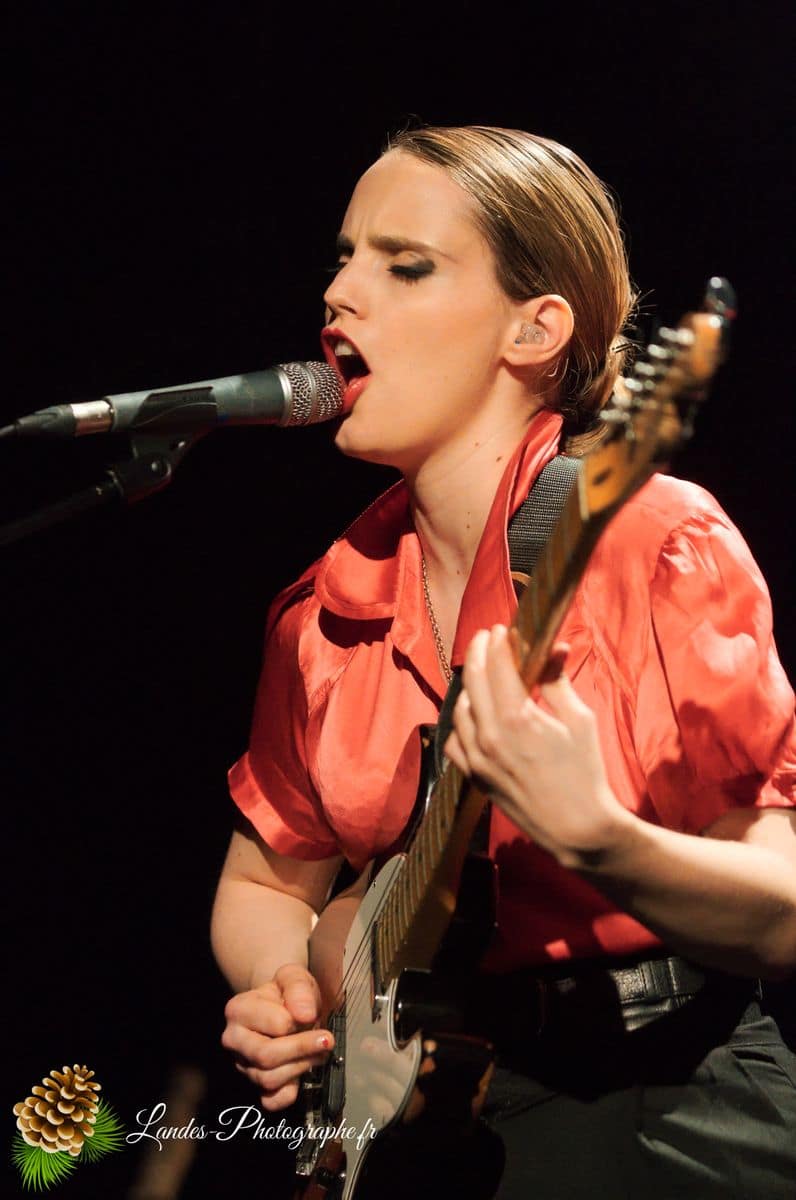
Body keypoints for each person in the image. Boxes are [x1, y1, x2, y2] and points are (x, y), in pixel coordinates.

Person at [210, 126, 796, 1198]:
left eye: (404, 264)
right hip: (418, 1130)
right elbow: (262, 880)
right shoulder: (321, 610)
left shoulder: (650, 540)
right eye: (342, 257)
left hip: (656, 1102)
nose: (339, 293)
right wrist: (283, 986)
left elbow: (785, 902)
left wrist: (607, 845)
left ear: (534, 328)